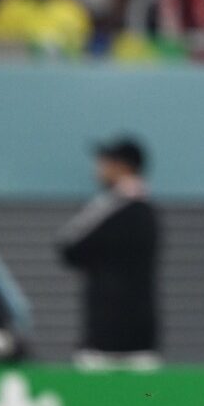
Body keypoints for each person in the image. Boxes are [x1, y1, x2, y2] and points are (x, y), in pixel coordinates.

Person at [56, 136, 161, 370]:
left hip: (104, 337)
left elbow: (68, 246)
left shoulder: (111, 207)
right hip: (142, 336)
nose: (99, 169)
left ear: (122, 166)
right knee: (143, 402)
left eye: (105, 162)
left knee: (93, 403)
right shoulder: (149, 212)